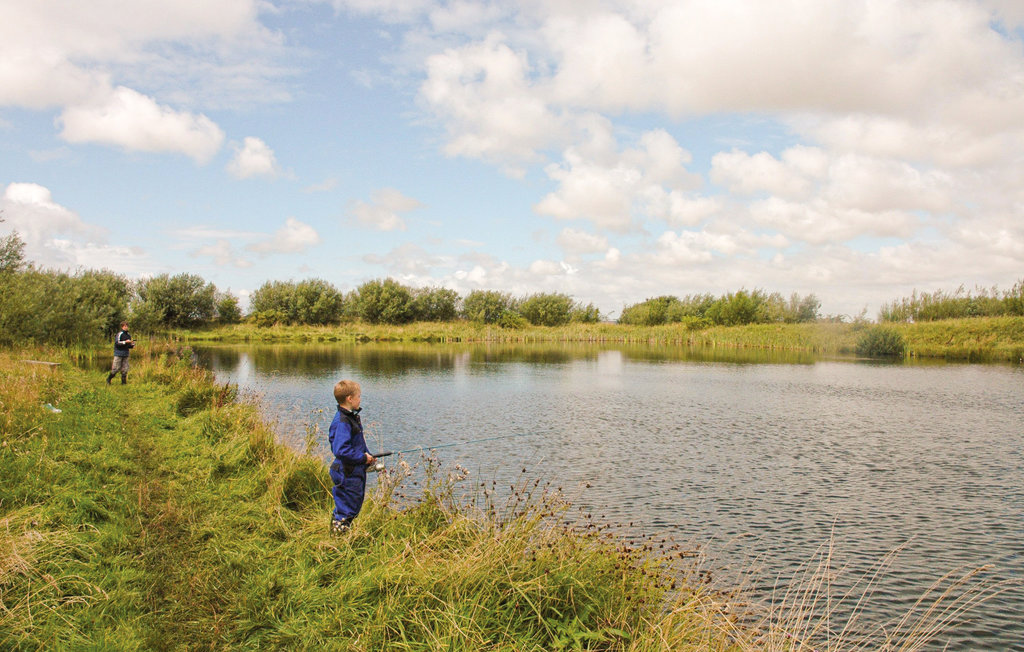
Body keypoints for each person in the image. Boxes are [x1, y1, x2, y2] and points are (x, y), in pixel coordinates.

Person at [328, 380, 376, 535]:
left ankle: (340, 534)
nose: (360, 399)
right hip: (346, 472)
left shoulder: (349, 418)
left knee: (352, 505)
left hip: (352, 470)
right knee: (347, 507)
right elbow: (341, 450)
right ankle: (338, 539)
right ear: (349, 398)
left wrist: (368, 457)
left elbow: (356, 445)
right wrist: (362, 458)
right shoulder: (343, 421)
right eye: (358, 396)